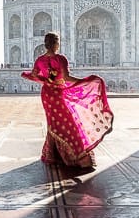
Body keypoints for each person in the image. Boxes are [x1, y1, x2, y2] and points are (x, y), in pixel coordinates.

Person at [22, 32, 114, 168]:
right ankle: (75, 155)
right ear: (56, 44)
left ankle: (54, 154)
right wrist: (83, 81)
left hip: (47, 94)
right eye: (58, 42)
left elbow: (35, 75)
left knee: (54, 123)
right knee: (68, 121)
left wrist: (46, 81)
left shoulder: (39, 60)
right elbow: (66, 78)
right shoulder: (60, 59)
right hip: (58, 93)